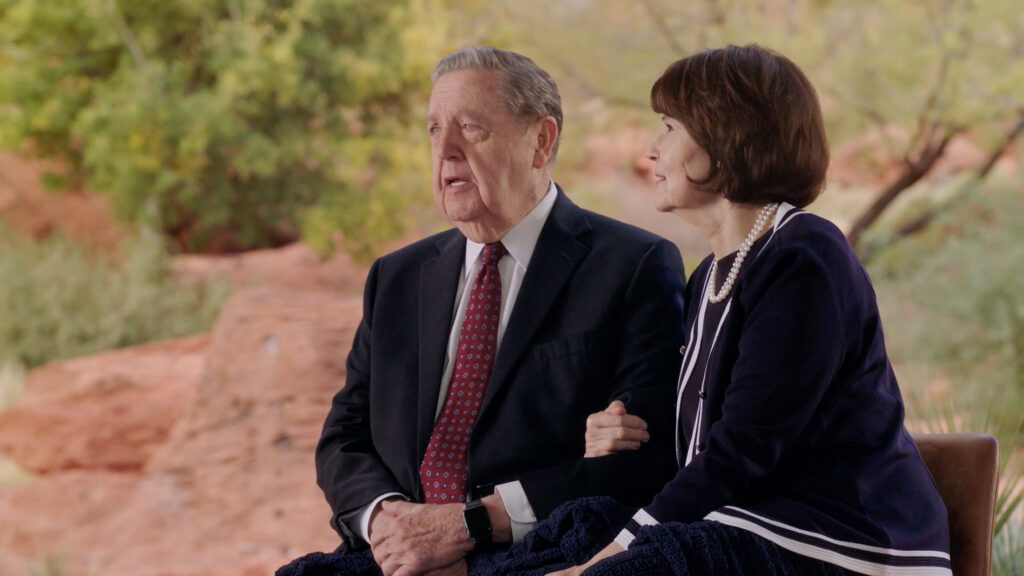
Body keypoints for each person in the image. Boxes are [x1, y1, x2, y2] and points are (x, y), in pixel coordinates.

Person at [551, 44, 951, 576]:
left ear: (726, 133)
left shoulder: (804, 257)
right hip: (743, 525)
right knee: (555, 541)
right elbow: (698, 446)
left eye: (669, 127)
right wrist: (623, 433)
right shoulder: (711, 279)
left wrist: (612, 554)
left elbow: (744, 447)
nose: (651, 148)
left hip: (842, 540)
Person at [309, 46, 686, 576]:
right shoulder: (395, 278)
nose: (446, 151)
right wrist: (388, 522)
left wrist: (468, 525)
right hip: (391, 558)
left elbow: (640, 463)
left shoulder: (634, 265)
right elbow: (343, 438)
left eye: (471, 127)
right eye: (434, 130)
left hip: (537, 558)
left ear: (541, 140)